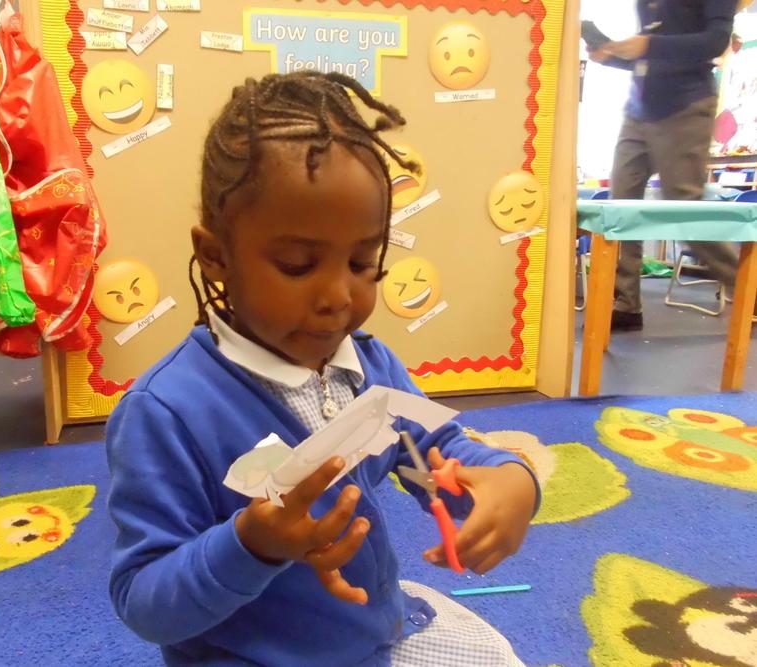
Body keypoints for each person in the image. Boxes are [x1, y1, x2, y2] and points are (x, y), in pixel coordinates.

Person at [105, 71, 540, 666]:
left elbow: (431, 458)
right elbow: (144, 602)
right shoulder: (166, 412)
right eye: (296, 264)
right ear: (216, 258)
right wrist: (250, 545)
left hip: (372, 633)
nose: (339, 295)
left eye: (364, 261)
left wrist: (509, 481)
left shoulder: (370, 366)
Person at [587, 0, 741, 331]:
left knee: (687, 213)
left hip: (685, 105)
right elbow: (654, 58)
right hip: (639, 108)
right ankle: (626, 303)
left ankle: (750, 290)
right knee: (620, 207)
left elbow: (715, 41)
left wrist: (647, 44)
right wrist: (613, 56)